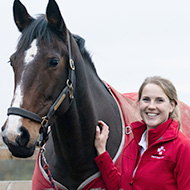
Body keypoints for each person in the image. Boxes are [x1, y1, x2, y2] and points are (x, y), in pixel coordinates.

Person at [94, 76, 190, 190]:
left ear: (171, 106)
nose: (151, 106)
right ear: (139, 103)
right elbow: (118, 187)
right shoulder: (133, 144)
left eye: (159, 100)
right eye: (146, 99)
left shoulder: (183, 147)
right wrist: (101, 151)